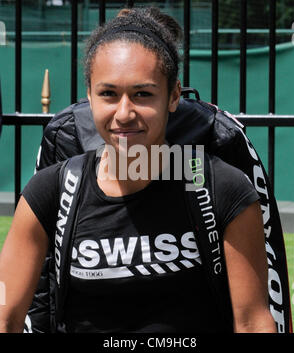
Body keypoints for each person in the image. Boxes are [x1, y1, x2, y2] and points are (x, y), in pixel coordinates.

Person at [0, 7, 276, 333]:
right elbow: (6, 317)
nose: (125, 113)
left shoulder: (219, 187)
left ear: (174, 95)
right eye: (108, 94)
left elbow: (252, 322)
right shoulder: (50, 190)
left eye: (142, 94)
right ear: (88, 96)